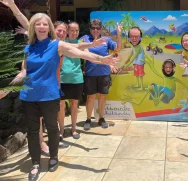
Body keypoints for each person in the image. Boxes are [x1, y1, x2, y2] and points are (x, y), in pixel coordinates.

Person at [0, 13, 118, 181]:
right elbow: (24, 72)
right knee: (33, 132)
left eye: (44, 24)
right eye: (38, 24)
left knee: (53, 128)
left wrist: (102, 60)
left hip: (49, 95)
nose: (41, 27)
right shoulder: (29, 47)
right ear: (34, 27)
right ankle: (35, 164)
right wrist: (7, 88)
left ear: (49, 28)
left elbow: (81, 54)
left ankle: (54, 156)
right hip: (29, 96)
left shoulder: (57, 45)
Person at [80, 19, 122, 130]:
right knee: (90, 97)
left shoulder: (106, 40)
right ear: (90, 29)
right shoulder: (85, 39)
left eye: (97, 28)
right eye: (93, 28)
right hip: (90, 74)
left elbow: (118, 48)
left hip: (104, 73)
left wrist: (119, 34)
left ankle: (101, 118)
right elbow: (76, 47)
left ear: (100, 29)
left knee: (102, 96)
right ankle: (88, 119)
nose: (95, 30)